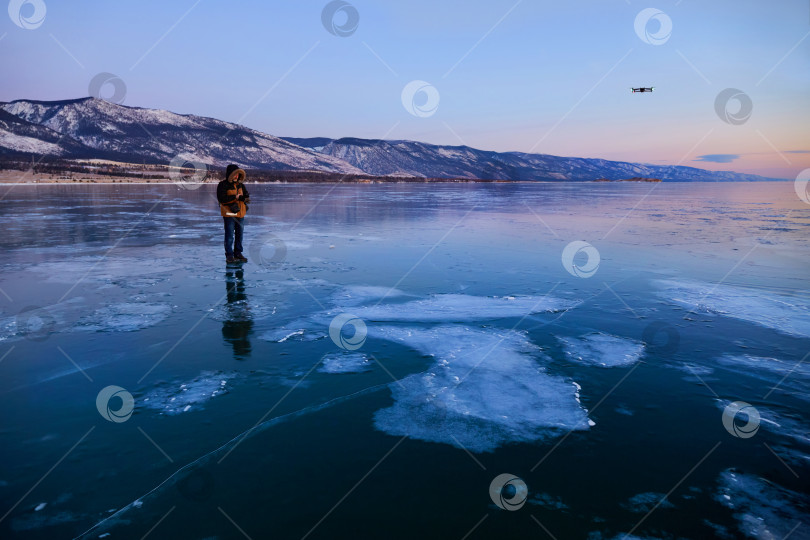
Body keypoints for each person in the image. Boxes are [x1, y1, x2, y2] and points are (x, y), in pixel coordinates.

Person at [217, 164, 250, 263]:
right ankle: (229, 255)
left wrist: (244, 198)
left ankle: (238, 253)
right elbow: (221, 199)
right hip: (229, 215)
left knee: (240, 235)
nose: (236, 176)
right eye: (235, 174)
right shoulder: (223, 185)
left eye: (238, 174)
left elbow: (246, 195)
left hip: (240, 214)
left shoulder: (240, 185)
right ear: (230, 174)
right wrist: (235, 198)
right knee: (229, 235)